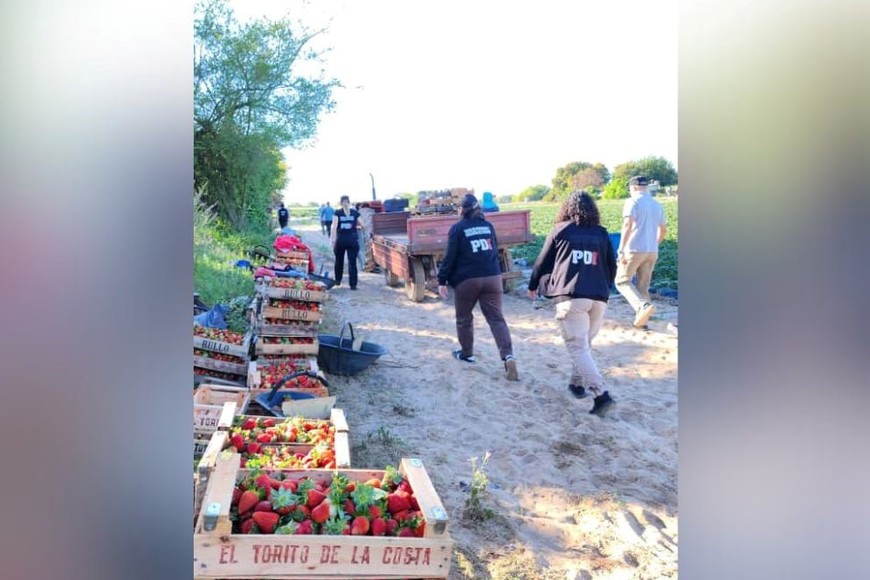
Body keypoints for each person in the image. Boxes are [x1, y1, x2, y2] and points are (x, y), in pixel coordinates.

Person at [527, 191, 617, 416]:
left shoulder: (561, 230)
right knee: (585, 345)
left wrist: (532, 285)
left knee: (577, 347)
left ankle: (601, 394)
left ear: (567, 208)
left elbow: (542, 261)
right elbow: (612, 266)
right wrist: (603, 286)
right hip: (599, 296)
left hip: (572, 296)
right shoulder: (602, 233)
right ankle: (576, 384)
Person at [438, 194, 519, 381]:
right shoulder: (488, 226)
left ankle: (467, 353)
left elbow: (449, 257)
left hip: (467, 280)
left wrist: (442, 281)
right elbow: (495, 250)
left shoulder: (457, 229)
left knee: (464, 318)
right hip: (492, 277)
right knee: (497, 319)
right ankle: (508, 356)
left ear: (462, 209)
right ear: (478, 208)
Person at [615, 175, 667, 328]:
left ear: (634, 187)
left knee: (622, 281)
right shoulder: (657, 205)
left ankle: (642, 307)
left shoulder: (632, 201)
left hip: (634, 248)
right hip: (652, 250)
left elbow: (627, 225)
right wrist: (655, 243)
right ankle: (643, 321)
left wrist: (621, 249)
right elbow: (663, 229)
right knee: (643, 286)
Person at [330, 195, 363, 290]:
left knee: (339, 261)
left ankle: (338, 280)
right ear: (349, 202)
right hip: (352, 239)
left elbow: (334, 226)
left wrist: (332, 239)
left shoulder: (338, 213)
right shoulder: (354, 212)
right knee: (352, 263)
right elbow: (362, 225)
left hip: (341, 239)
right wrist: (355, 227)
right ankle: (353, 285)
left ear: (341, 203)